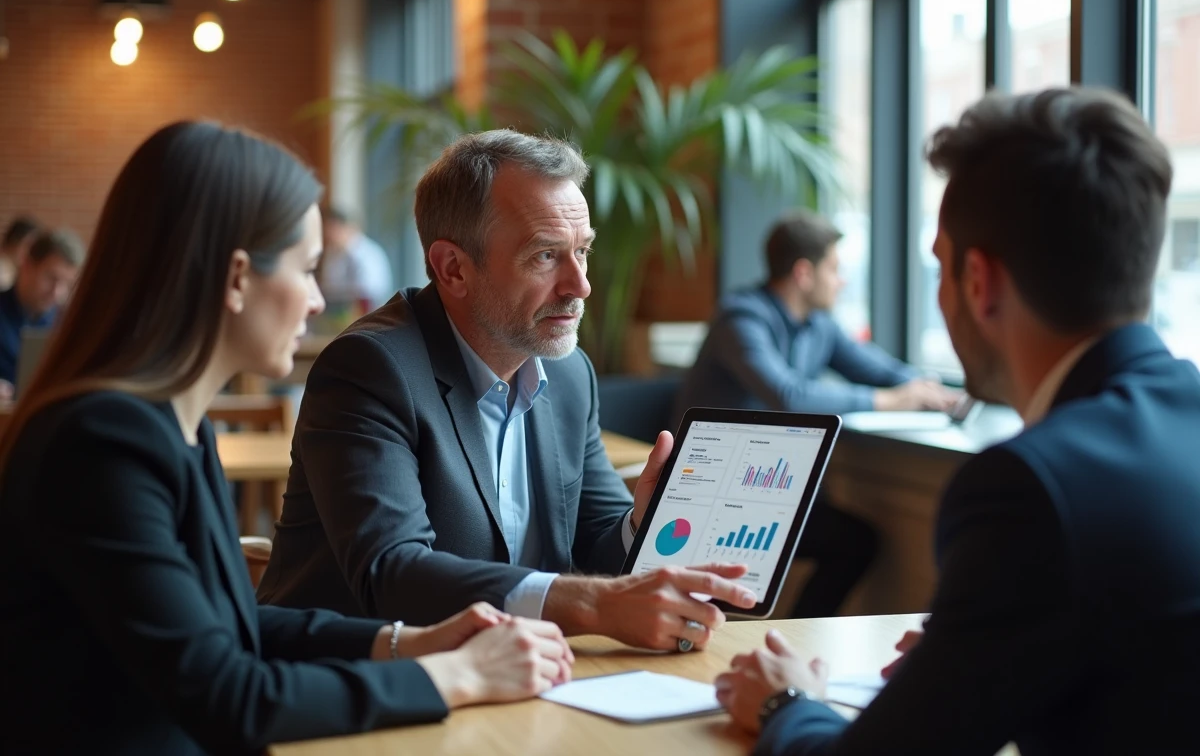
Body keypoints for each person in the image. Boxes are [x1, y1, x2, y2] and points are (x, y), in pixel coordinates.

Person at [0, 121, 574, 756]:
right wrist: (456, 675)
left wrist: (403, 643)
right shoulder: (103, 442)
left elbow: (230, 628)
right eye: (306, 270)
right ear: (238, 278)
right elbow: (228, 696)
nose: (314, 300)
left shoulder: (168, 427)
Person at [716, 87, 1200, 754]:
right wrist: (975, 661)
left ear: (979, 281)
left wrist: (785, 699)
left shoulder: (1032, 488)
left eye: (939, 267)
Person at [259, 129, 758, 650]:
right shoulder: (372, 367)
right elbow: (393, 574)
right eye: (545, 256)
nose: (579, 285)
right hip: (359, 688)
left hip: (520, 676)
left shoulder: (567, 374)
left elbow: (595, 542)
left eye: (581, 251)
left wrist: (641, 521)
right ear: (453, 268)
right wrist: (590, 605)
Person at [675, 212, 959, 618]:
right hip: (714, 492)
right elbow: (789, 395)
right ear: (804, 273)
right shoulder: (740, 317)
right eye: (835, 269)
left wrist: (935, 391)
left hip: (767, 488)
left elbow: (878, 369)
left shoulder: (818, 325)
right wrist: (891, 401)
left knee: (855, 542)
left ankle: (791, 637)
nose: (841, 281)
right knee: (850, 541)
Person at [0, 228, 85, 399]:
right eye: (51, 278)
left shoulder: (66, 324)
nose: (57, 292)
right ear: (26, 266)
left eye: (67, 284)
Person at [317, 204, 395, 320]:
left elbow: (369, 292)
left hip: (368, 313)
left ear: (346, 227)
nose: (329, 235)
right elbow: (328, 287)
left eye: (333, 228)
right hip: (335, 312)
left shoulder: (367, 253)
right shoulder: (332, 253)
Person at [0, 215, 40, 290]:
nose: (30, 253)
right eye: (28, 245)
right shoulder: (3, 273)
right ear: (13, 243)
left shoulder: (15, 271)